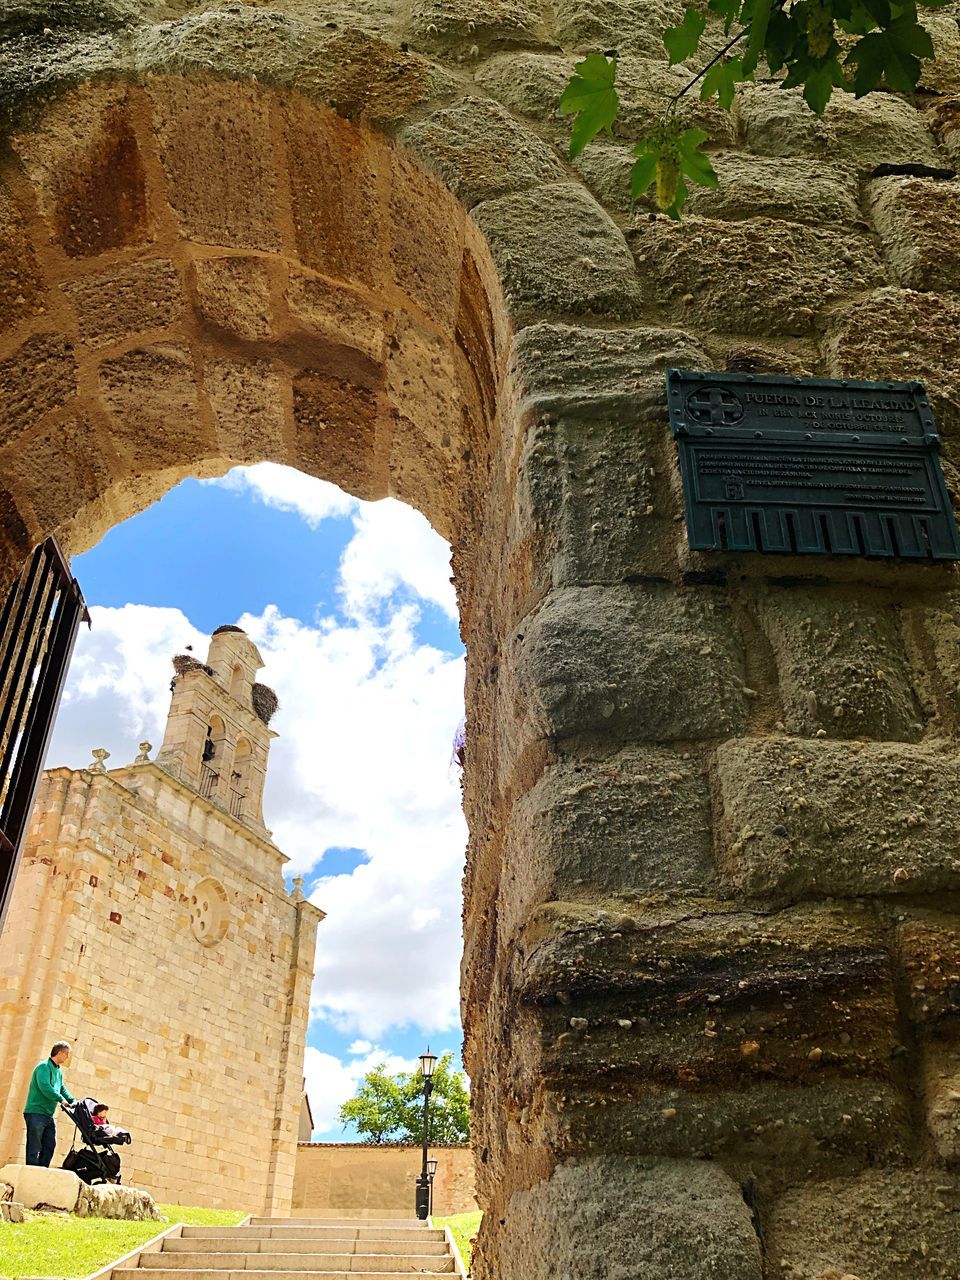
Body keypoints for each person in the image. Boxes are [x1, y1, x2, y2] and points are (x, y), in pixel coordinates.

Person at [23, 1041, 75, 1167]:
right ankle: (31, 1172)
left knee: (49, 1145)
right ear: (60, 1053)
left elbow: (61, 1088)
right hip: (36, 1112)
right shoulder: (43, 1067)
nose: (67, 1057)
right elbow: (45, 1087)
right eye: (66, 1054)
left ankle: (41, 1171)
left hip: (48, 1115)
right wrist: (61, 1100)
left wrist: (73, 1101)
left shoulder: (58, 1071)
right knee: (34, 1146)